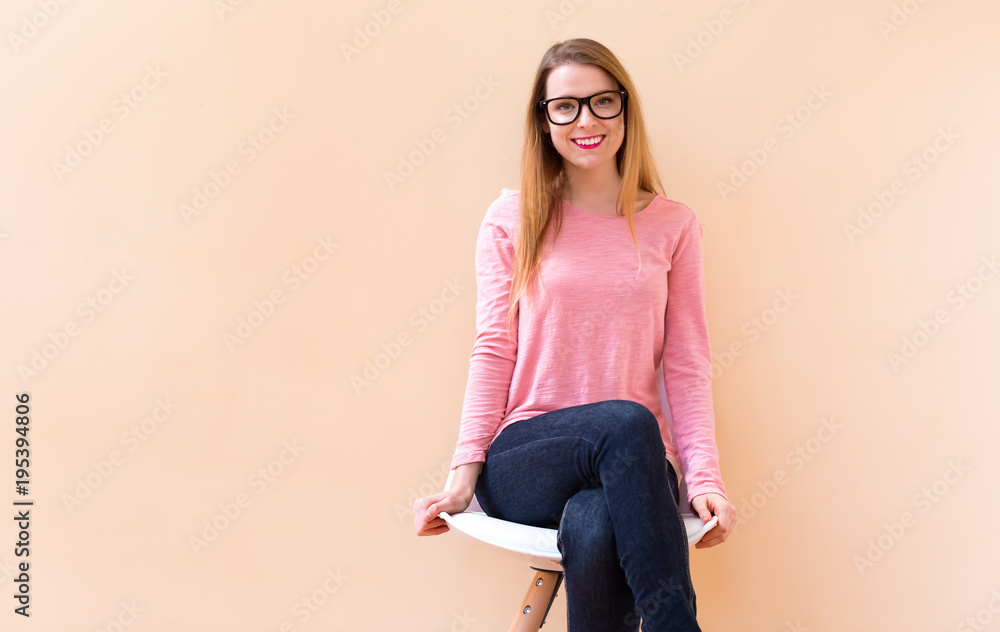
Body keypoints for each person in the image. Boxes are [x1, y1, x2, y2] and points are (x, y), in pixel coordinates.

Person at [414, 37, 735, 631]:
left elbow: (686, 364)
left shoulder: (673, 225)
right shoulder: (513, 218)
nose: (585, 120)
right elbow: (492, 349)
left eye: (601, 102)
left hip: (640, 464)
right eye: (565, 106)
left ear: (625, 110)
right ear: (543, 120)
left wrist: (704, 478)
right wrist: (462, 476)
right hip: (529, 457)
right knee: (625, 420)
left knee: (594, 521)